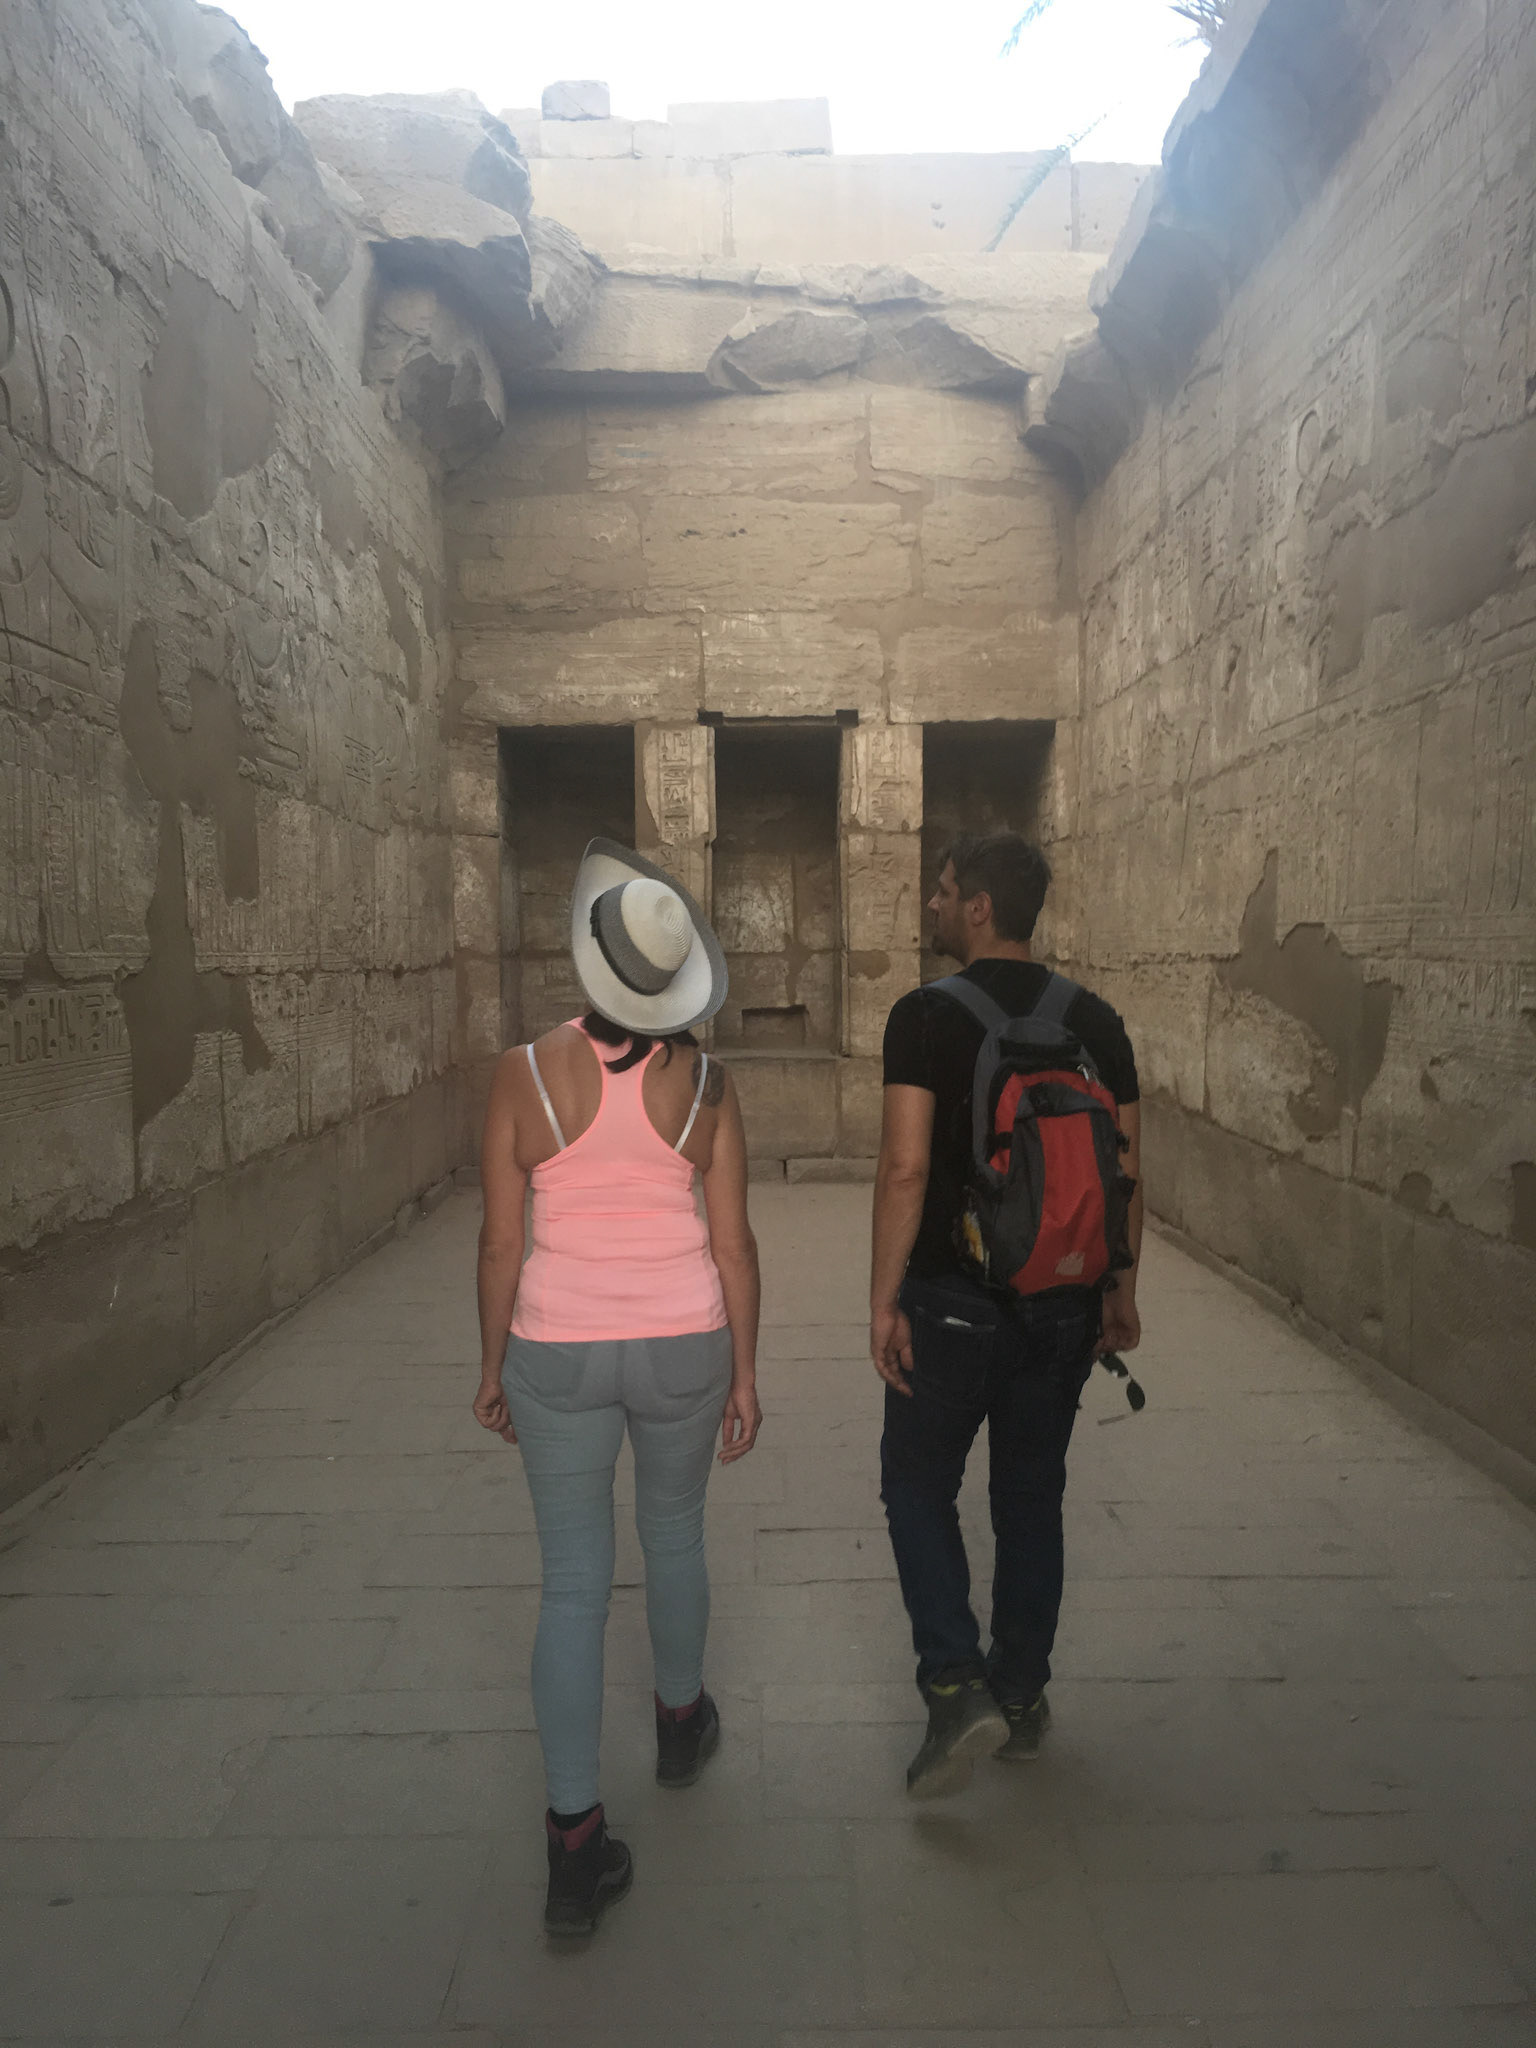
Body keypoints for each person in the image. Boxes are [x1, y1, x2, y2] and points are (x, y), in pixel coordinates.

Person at [473, 838, 762, 1935]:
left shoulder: (522, 1072)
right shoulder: (709, 1085)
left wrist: (492, 1362)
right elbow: (733, 1244)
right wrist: (745, 1370)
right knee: (675, 1533)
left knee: (572, 1586)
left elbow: (501, 1242)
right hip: (685, 1338)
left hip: (557, 1347)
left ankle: (575, 1842)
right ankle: (681, 1723)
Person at [869, 833, 1142, 1798]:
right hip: (1063, 1303)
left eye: (944, 891)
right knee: (1030, 1499)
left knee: (916, 1486)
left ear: (980, 907)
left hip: (951, 1302)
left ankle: (955, 1686)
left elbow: (906, 1168)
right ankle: (1021, 1696)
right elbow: (1125, 1171)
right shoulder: (1097, 1020)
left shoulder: (924, 1017)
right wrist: (1120, 1290)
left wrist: (883, 1300)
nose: (934, 906)